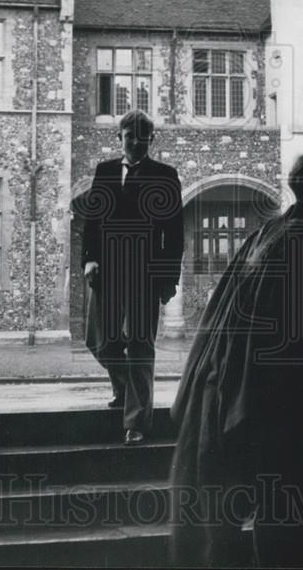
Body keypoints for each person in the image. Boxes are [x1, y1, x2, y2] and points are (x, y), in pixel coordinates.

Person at [169, 148, 303, 568]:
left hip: (239, 388)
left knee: (247, 504)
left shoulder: (270, 231)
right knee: (292, 503)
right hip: (280, 401)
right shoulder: (302, 242)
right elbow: (295, 341)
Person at [80, 109, 183, 445]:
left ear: (151, 139)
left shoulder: (165, 176)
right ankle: (125, 386)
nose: (136, 142)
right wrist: (90, 259)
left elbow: (175, 233)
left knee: (140, 346)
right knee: (100, 340)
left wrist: (168, 278)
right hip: (107, 273)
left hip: (145, 275)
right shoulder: (105, 172)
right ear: (119, 138)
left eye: (143, 136)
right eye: (129, 136)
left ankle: (137, 421)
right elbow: (93, 221)